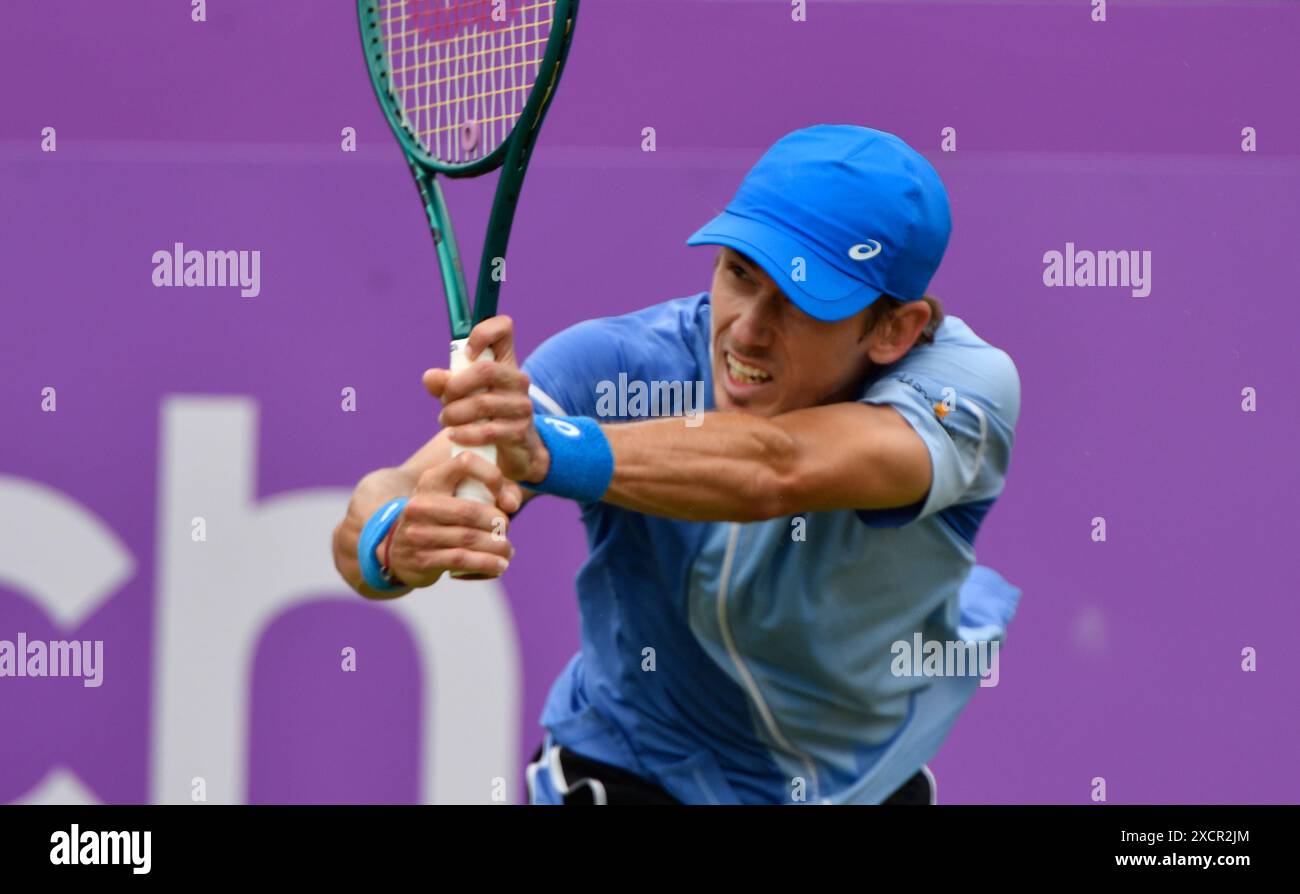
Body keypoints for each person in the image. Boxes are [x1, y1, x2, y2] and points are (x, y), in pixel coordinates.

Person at [333, 125, 1023, 804]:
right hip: (637, 768)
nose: (748, 327)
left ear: (895, 330)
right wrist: (392, 538)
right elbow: (393, 491)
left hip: (864, 783)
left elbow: (778, 467)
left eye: (801, 302)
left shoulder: (963, 390)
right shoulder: (619, 365)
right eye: (739, 274)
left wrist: (554, 451)